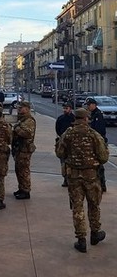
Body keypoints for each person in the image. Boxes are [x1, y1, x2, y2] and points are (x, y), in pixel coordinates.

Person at [55, 108, 109, 253]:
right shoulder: (94, 135)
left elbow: (59, 152)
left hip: (73, 177)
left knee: (77, 207)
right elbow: (104, 157)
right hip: (91, 176)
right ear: (86, 119)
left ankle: (81, 240)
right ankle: (95, 233)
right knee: (94, 205)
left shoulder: (68, 134)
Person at [12, 101, 36, 200]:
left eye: (21, 108)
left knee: (24, 170)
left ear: (27, 109)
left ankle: (26, 191)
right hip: (19, 148)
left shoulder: (29, 121)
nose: (19, 109)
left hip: (25, 149)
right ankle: (21, 188)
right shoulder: (22, 119)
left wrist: (16, 129)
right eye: (18, 108)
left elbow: (27, 134)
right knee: (18, 169)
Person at [85, 98, 107, 192]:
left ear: (94, 105)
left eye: (89, 105)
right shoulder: (93, 114)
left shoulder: (98, 115)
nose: (88, 107)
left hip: (99, 142)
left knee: (99, 164)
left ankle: (102, 184)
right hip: (95, 141)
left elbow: (99, 130)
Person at [55, 102, 75, 187]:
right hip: (63, 143)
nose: (65, 110)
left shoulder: (74, 119)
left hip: (72, 143)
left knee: (72, 162)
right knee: (63, 162)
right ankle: (65, 179)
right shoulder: (60, 118)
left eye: (66, 108)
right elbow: (58, 129)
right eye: (64, 108)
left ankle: (72, 179)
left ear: (70, 109)